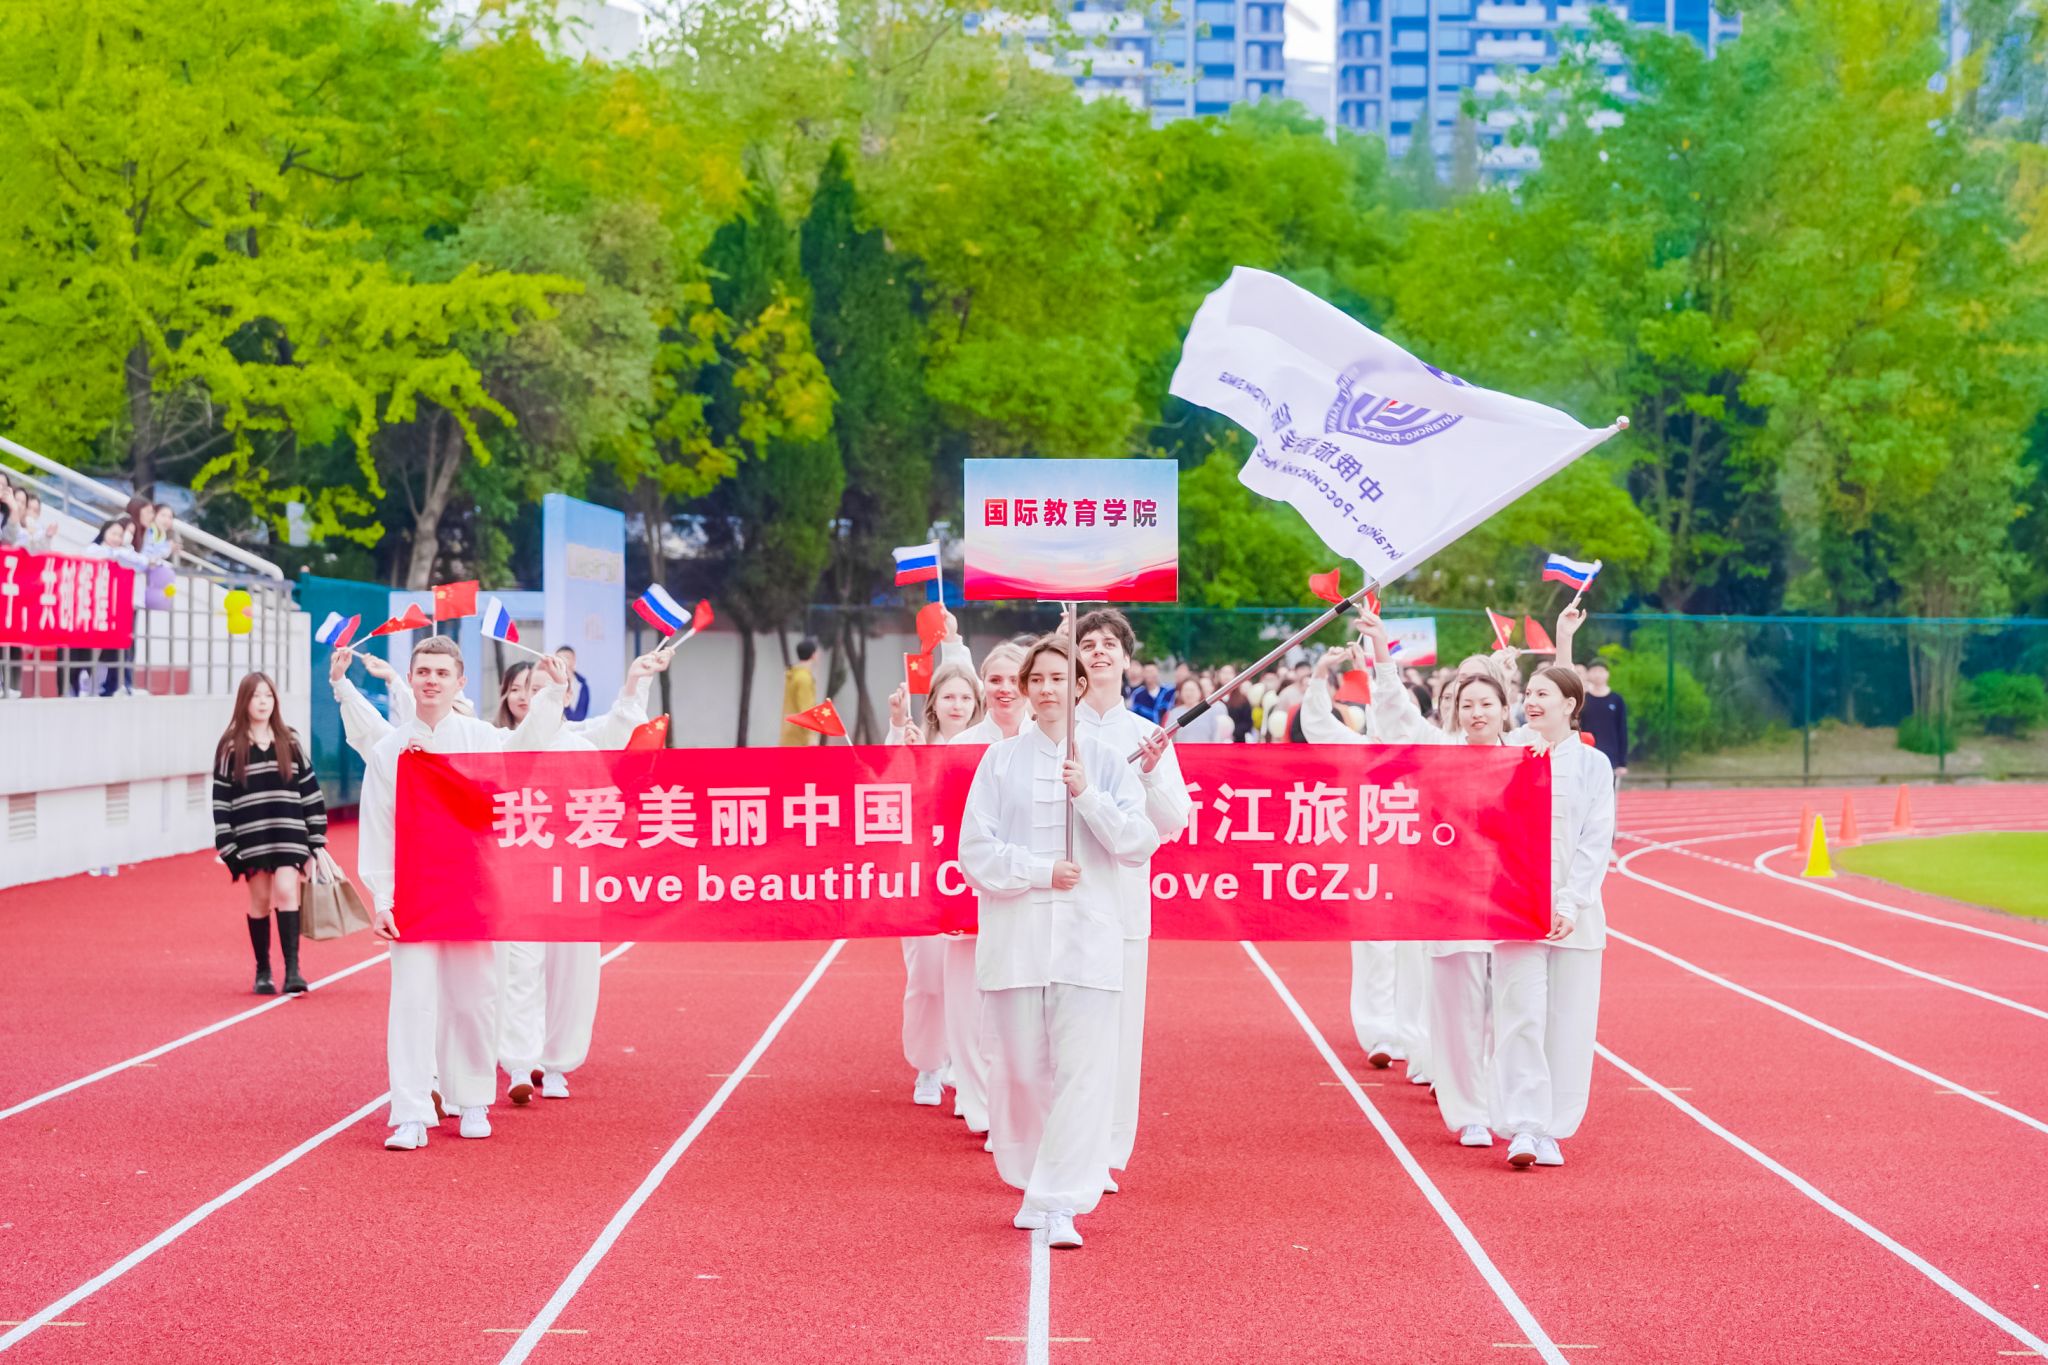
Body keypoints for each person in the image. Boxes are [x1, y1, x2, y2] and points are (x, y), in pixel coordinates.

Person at [961, 635, 1160, 1249]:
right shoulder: (998, 763)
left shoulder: (1105, 759)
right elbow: (976, 852)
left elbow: (1137, 842)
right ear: (1025, 690)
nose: (1047, 689)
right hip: (1018, 939)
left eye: (1058, 679)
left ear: (1078, 688)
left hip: (1088, 941)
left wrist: (1087, 794)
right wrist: (1039, 870)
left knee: (1082, 1074)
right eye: (1036, 679)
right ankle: (1029, 1182)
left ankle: (1061, 1200)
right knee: (1019, 1072)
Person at [356, 636, 571, 1151]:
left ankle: (472, 1100)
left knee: (475, 999)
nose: (430, 680)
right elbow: (379, 827)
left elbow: (528, 747)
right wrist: (382, 899)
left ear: (459, 682)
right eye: (422, 671)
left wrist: (553, 693)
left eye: (440, 673)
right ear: (410, 678)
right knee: (412, 1003)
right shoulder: (389, 750)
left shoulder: (481, 737)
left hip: (474, 889)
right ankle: (410, 1112)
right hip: (414, 894)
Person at [1343, 615, 1517, 1152]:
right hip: (1452, 901)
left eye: (1487, 703)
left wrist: (1560, 647)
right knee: (1458, 1008)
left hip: (1512, 903)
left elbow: (1558, 708)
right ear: (1455, 712)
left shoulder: (1527, 753)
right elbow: (1396, 715)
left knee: (1511, 1011)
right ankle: (1467, 1111)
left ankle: (1510, 1105)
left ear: (1504, 708)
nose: (1476, 712)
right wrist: (1380, 653)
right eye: (1467, 704)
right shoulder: (1438, 750)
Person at [1070, 609, 1186, 1189]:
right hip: (1061, 903)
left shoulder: (1147, 735)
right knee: (1063, 1029)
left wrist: (1151, 775)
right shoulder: (1054, 728)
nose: (1098, 652)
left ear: (1126, 656)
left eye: (1109, 643)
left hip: (1121, 905)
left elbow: (1174, 823)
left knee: (1118, 1032)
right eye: (1087, 643)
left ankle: (1109, 1151)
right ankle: (1065, 1143)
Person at [1491, 665, 1613, 1168]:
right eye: (1527, 693)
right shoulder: (1508, 756)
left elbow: (1594, 839)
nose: (1531, 700)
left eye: (1543, 693)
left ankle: (1553, 1130)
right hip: (1514, 909)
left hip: (1575, 917)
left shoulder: (1592, 764)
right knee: (1521, 1017)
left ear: (1570, 704)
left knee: (1569, 1022)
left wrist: (1570, 902)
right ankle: (1524, 1125)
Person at [889, 662, 989, 1117]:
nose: (957, 705)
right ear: (933, 704)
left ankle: (966, 1070)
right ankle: (929, 1064)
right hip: (926, 880)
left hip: (973, 883)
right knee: (928, 980)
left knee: (972, 983)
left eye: (966, 698)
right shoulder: (916, 744)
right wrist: (898, 736)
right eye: (949, 697)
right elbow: (889, 791)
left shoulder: (991, 751)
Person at [213, 672, 327, 995]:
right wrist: (226, 842)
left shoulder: (289, 741)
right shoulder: (230, 747)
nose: (263, 702)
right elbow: (221, 798)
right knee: (260, 899)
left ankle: (293, 970)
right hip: (252, 836)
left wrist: (316, 835)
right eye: (256, 696)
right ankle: (263, 970)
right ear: (244, 702)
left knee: (288, 890)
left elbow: (310, 789)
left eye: (268, 696)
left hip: (290, 832)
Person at [1581, 659, 1628, 785]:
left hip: (1610, 757)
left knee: (1608, 796)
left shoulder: (1616, 700)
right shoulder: (1583, 699)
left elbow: (1622, 730)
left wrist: (1622, 762)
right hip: (1587, 756)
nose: (1598, 674)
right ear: (1588, 674)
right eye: (1594, 671)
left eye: (1601, 671)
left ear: (1607, 674)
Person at [781, 638, 821, 745]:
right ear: (813, 655)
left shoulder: (793, 675)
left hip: (789, 735)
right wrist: (811, 737)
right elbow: (806, 709)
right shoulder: (804, 679)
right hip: (801, 740)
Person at [552, 645, 593, 722]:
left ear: (574, 660)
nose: (563, 661)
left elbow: (580, 715)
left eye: (567, 658)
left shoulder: (582, 685)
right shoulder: (550, 683)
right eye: (560, 658)